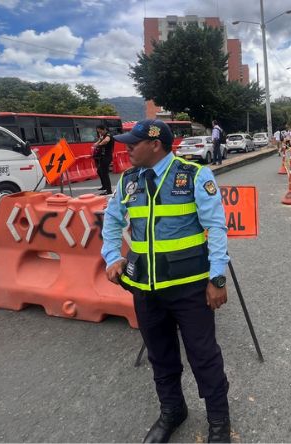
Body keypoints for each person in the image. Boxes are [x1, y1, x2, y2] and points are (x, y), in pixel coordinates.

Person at [103, 120, 232, 443]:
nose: (127, 147)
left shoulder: (194, 176)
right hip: (145, 289)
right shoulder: (129, 180)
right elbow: (112, 219)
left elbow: (216, 227)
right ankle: (173, 411)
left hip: (190, 288)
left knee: (204, 357)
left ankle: (219, 422)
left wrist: (217, 278)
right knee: (160, 357)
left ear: (156, 144)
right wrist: (111, 257)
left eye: (134, 142)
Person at [92, 124, 114, 195]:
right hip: (102, 157)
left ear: (104, 129)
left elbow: (106, 141)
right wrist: (95, 145)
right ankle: (104, 186)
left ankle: (109, 190)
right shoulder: (103, 136)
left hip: (107, 157)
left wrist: (98, 145)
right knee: (99, 171)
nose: (100, 133)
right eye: (98, 132)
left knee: (105, 173)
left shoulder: (108, 135)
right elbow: (98, 142)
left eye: (100, 131)